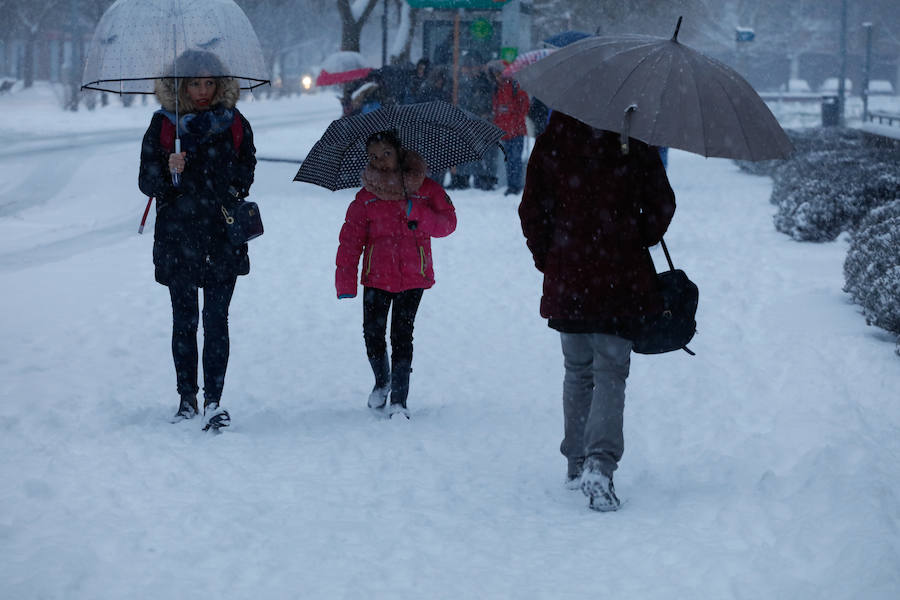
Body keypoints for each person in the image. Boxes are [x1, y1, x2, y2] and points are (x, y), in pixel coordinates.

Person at [518, 111, 675, 511]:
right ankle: (600, 465)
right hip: (618, 273)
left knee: (577, 371)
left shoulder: (555, 136)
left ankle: (575, 462)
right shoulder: (630, 136)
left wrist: (550, 256)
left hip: (569, 272)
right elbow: (661, 206)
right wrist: (633, 233)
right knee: (609, 371)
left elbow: (531, 208)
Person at [138, 50, 257, 432]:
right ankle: (186, 397)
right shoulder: (164, 126)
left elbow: (246, 169)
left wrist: (230, 183)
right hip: (178, 236)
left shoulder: (235, 123)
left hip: (222, 234)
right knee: (185, 320)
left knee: (216, 319)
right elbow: (146, 181)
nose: (203, 90)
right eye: (194, 82)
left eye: (209, 82)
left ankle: (214, 400)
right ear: (180, 85)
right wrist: (169, 173)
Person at [335, 130, 457, 419]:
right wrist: (345, 280)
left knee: (402, 336)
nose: (380, 161)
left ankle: (399, 400)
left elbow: (448, 223)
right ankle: (382, 380)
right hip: (376, 277)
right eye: (373, 156)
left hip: (414, 277)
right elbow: (351, 242)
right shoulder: (365, 198)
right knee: (373, 333)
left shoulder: (425, 189)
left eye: (386, 154)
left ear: (400, 153)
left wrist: (419, 213)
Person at [490, 62, 530, 196]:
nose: (497, 77)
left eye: (499, 73)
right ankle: (512, 185)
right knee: (510, 160)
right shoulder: (497, 88)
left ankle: (515, 186)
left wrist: (513, 119)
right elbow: (497, 111)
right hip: (506, 131)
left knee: (515, 159)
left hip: (516, 131)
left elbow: (524, 107)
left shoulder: (515, 86)